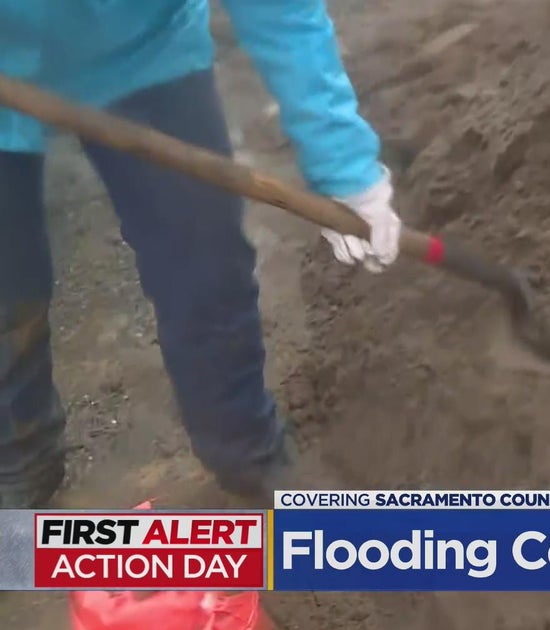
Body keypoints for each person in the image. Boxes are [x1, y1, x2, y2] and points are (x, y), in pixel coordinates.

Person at [0, 1, 402, 508]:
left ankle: (245, 448)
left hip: (143, 51)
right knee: (5, 294)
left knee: (205, 266)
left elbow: (280, 9)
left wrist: (344, 167)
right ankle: (18, 460)